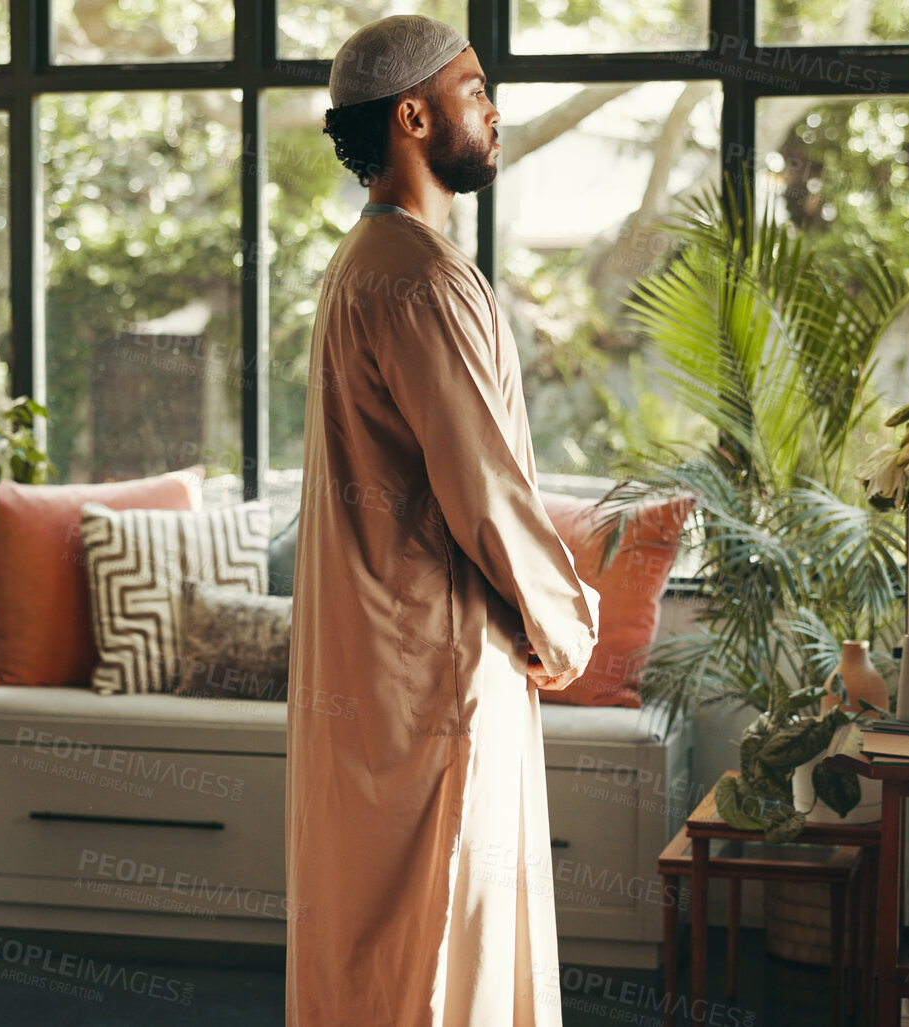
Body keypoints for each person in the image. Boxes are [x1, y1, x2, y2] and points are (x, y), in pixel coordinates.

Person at [285, 15, 601, 1027]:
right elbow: (487, 494)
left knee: (381, 947)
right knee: (447, 951)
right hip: (442, 667)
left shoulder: (361, 264)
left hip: (379, 671)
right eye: (475, 89)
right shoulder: (422, 278)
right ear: (412, 115)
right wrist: (566, 626)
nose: (494, 110)